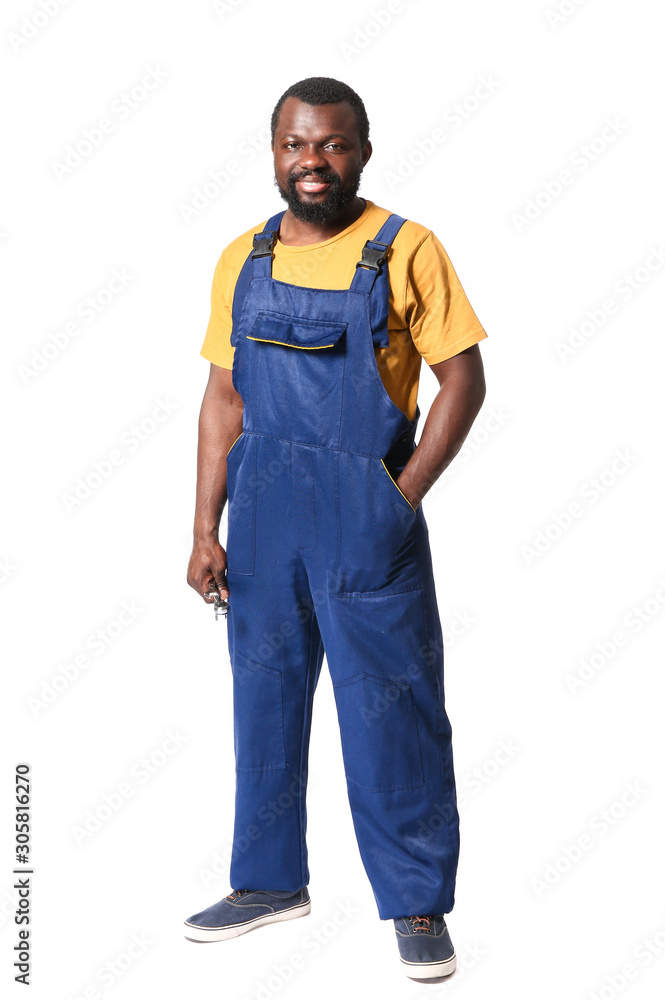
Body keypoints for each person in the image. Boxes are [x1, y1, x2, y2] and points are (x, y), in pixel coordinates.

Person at [184, 76, 487, 980]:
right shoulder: (242, 256)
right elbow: (222, 396)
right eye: (294, 144)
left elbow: (462, 382)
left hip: (366, 509)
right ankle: (267, 883)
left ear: (361, 148)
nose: (311, 162)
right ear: (273, 151)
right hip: (265, 512)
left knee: (389, 710)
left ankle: (418, 903)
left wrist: (403, 495)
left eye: (331, 144)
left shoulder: (406, 249)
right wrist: (205, 526)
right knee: (263, 698)